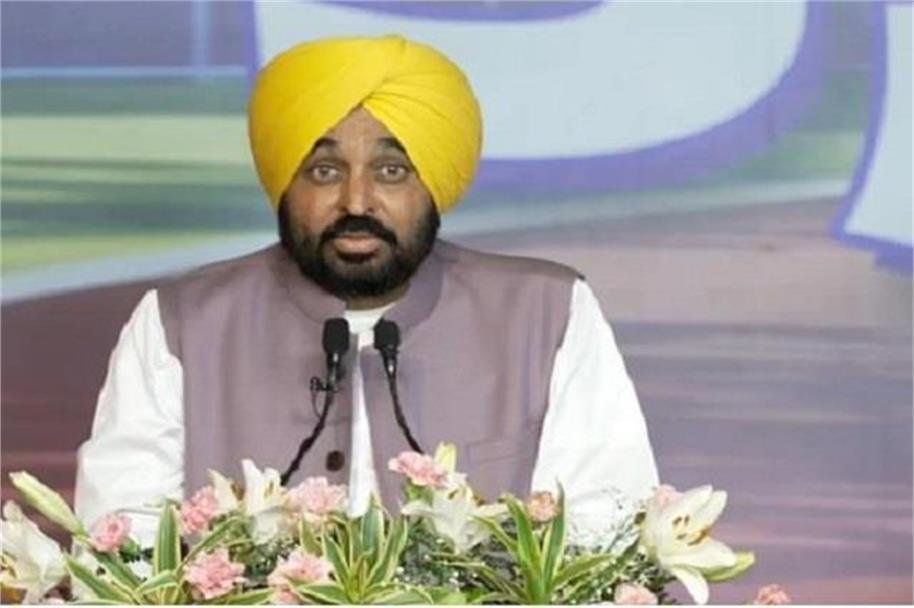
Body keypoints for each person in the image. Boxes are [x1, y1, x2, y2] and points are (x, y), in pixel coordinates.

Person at [74, 35, 658, 544]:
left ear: (433, 184)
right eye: (324, 171)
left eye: (391, 171)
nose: (356, 201)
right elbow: (123, 544)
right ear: (284, 183)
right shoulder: (183, 323)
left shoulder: (546, 314)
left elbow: (603, 532)